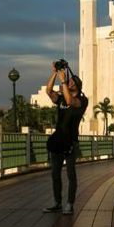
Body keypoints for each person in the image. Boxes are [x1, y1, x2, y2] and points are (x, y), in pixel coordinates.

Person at [43, 62, 88, 215]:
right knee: (55, 174)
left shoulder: (82, 101)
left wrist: (63, 81)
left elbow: (70, 101)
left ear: (78, 86)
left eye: (72, 81)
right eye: (69, 80)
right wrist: (55, 73)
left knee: (71, 174)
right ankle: (57, 203)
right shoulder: (61, 98)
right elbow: (49, 91)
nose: (69, 82)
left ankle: (69, 203)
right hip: (58, 141)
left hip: (71, 142)